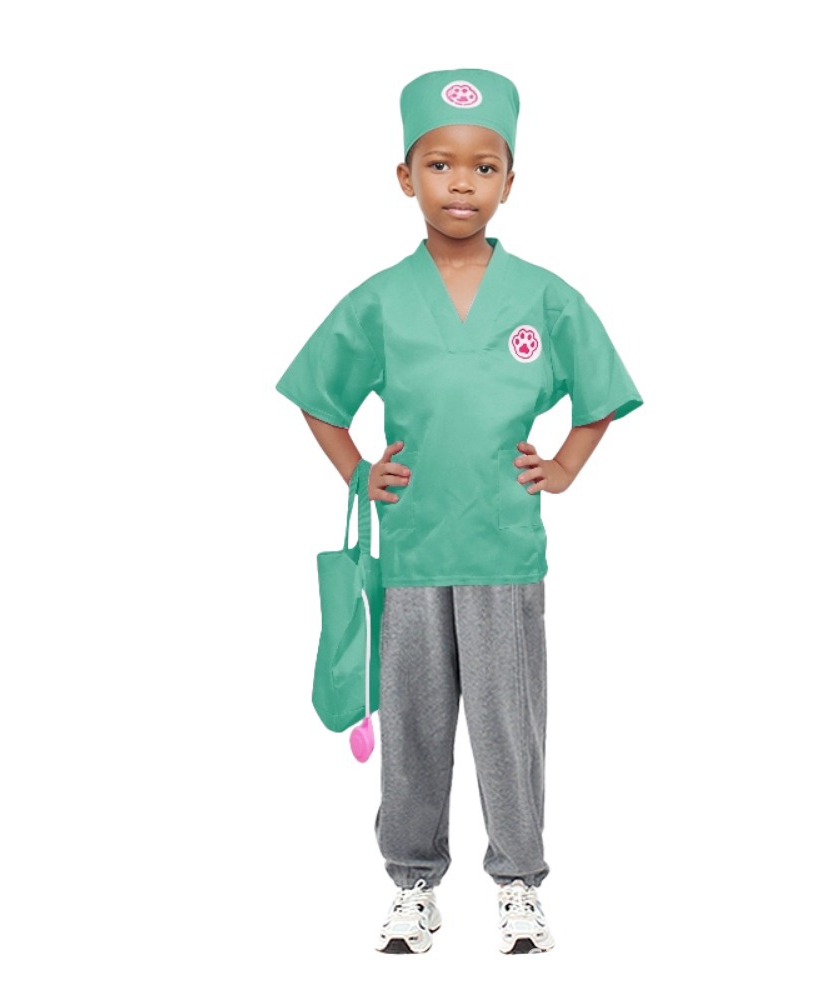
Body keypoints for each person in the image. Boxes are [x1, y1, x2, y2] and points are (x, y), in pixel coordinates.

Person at [275, 68, 643, 954]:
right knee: (413, 725)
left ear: (511, 181)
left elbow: (600, 394)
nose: (462, 184)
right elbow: (319, 396)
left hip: (502, 550)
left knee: (508, 727)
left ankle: (519, 883)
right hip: (410, 553)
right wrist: (359, 473)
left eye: (484, 167)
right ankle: (413, 885)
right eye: (440, 165)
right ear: (406, 177)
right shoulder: (380, 300)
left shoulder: (545, 297)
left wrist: (565, 466)